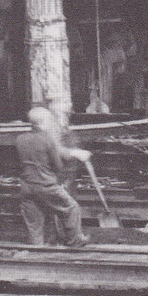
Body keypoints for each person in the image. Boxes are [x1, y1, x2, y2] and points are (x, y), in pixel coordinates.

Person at [16, 106, 91, 247]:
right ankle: (75, 240)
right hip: (46, 186)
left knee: (35, 225)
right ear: (44, 121)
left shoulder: (20, 139)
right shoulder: (48, 139)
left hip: (26, 187)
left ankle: (36, 252)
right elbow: (58, 166)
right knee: (71, 207)